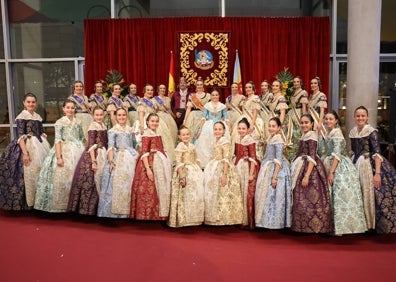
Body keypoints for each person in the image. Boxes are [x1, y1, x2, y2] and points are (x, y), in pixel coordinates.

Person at [319, 111, 367, 235]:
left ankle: (340, 227)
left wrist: (331, 172)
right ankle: (330, 225)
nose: (328, 121)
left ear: (336, 121)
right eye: (326, 119)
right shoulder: (329, 133)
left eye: (331, 119)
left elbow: (337, 155)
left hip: (338, 166)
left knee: (338, 195)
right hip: (328, 162)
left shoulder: (337, 134)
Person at [349, 106, 396, 233]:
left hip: (368, 165)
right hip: (356, 164)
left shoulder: (371, 131)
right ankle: (360, 223)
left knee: (369, 193)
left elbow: (377, 153)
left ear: (367, 117)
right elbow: (353, 150)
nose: (360, 118)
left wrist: (378, 173)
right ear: (354, 117)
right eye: (358, 116)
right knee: (358, 193)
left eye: (363, 116)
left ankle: (370, 225)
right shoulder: (353, 131)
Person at [0, 93, 50, 210]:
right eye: (28, 102)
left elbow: (41, 132)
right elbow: (20, 136)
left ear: (36, 103)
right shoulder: (22, 116)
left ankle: (39, 201)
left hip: (40, 145)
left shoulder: (37, 116)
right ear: (24, 103)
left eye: (33, 102)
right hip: (26, 146)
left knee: (41, 171)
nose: (31, 104)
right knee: (26, 172)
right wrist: (25, 153)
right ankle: (26, 203)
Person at [34, 100, 85, 213]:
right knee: (63, 177)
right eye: (68, 107)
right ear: (63, 109)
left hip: (78, 150)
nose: (70, 110)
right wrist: (59, 157)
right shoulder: (59, 122)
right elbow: (57, 140)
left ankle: (75, 205)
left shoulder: (79, 122)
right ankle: (62, 205)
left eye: (72, 108)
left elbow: (82, 138)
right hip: (65, 150)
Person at [290, 114, 331, 233]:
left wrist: (307, 175)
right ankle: (301, 225)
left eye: (306, 122)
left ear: (312, 124)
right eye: (302, 123)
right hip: (301, 164)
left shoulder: (312, 136)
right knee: (299, 197)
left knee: (310, 197)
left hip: (310, 168)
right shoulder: (304, 135)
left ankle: (313, 227)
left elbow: (312, 156)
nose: (304, 125)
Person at [97, 108, 138, 218]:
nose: (121, 117)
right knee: (117, 183)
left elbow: (135, 144)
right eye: (119, 115)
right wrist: (111, 161)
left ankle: (129, 211)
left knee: (130, 182)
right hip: (118, 156)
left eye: (123, 115)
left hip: (131, 157)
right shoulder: (112, 131)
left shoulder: (130, 130)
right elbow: (110, 147)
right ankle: (115, 211)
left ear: (127, 116)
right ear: (115, 116)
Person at [130, 113, 172, 220]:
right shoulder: (146, 134)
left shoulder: (157, 133)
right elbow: (144, 152)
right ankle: (147, 215)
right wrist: (148, 169)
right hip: (149, 163)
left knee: (161, 186)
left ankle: (160, 214)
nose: (155, 123)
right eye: (152, 121)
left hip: (160, 162)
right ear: (147, 122)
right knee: (149, 188)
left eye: (156, 121)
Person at [68, 107, 108, 215]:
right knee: (91, 180)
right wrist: (94, 161)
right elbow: (91, 145)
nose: (99, 117)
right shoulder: (92, 126)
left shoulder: (104, 125)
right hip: (94, 155)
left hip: (103, 153)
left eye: (101, 115)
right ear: (93, 116)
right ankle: (89, 210)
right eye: (97, 115)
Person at [255, 117, 292, 229]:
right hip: (268, 166)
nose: (271, 128)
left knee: (273, 195)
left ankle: (275, 223)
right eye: (270, 126)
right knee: (266, 196)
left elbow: (279, 159)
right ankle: (266, 222)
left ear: (279, 128)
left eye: (273, 126)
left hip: (276, 169)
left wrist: (275, 177)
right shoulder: (271, 138)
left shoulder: (278, 140)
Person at [204, 121, 243, 226]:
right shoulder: (216, 141)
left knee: (223, 191)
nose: (217, 131)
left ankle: (224, 219)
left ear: (224, 130)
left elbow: (226, 158)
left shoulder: (225, 141)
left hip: (223, 168)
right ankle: (214, 217)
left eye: (220, 129)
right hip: (214, 166)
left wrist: (224, 174)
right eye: (215, 129)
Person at [168, 126, 205, 227]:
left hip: (194, 170)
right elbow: (179, 162)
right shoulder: (179, 147)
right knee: (185, 194)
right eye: (183, 135)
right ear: (179, 136)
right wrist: (181, 176)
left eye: (187, 134)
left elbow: (196, 158)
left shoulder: (192, 146)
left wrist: (200, 170)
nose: (186, 136)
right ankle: (184, 219)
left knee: (197, 193)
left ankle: (195, 217)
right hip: (184, 171)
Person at [133, 84, 175, 162]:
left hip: (154, 121)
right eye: (148, 90)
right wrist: (142, 127)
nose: (150, 92)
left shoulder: (152, 101)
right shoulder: (142, 101)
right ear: (144, 92)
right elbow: (141, 114)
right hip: (146, 122)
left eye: (151, 90)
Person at [234, 118, 259, 229]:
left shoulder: (250, 139)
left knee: (247, 193)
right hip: (239, 166)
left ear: (248, 129)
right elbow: (236, 154)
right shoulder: (237, 138)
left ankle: (248, 221)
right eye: (239, 128)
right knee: (239, 192)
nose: (241, 130)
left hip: (248, 167)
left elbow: (253, 157)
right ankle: (239, 219)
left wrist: (251, 173)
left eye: (243, 128)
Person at [195, 89, 230, 168]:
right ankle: (208, 162)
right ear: (210, 96)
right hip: (209, 125)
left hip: (220, 125)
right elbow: (203, 118)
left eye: (216, 95)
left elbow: (226, 118)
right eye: (213, 95)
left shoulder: (222, 106)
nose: (215, 96)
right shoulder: (207, 106)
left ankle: (220, 160)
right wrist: (200, 129)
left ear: (219, 96)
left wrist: (229, 128)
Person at [231, 81, 265, 160]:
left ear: (253, 88)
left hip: (252, 120)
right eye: (246, 87)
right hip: (243, 119)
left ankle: (253, 159)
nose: (248, 89)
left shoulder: (255, 98)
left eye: (250, 87)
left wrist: (252, 125)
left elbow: (255, 112)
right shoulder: (245, 99)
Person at [287, 76, 309, 161]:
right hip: (292, 114)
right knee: (292, 135)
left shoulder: (303, 93)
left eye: (297, 82)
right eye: (294, 82)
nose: (295, 83)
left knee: (299, 134)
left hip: (299, 114)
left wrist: (303, 118)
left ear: (300, 83)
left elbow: (304, 107)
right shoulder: (293, 93)